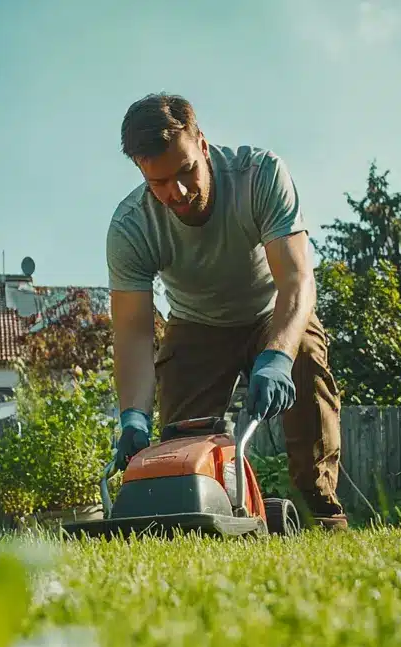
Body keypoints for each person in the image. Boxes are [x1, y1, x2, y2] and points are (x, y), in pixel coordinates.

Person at [103, 92, 347, 530]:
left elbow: (297, 281)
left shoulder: (260, 175)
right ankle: (202, 521)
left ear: (203, 143)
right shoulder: (131, 227)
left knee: (307, 359)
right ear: (141, 171)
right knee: (180, 449)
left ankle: (322, 515)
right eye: (158, 183)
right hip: (195, 325)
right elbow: (134, 333)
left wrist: (277, 358)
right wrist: (133, 416)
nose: (175, 193)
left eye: (185, 172)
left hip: (271, 310)